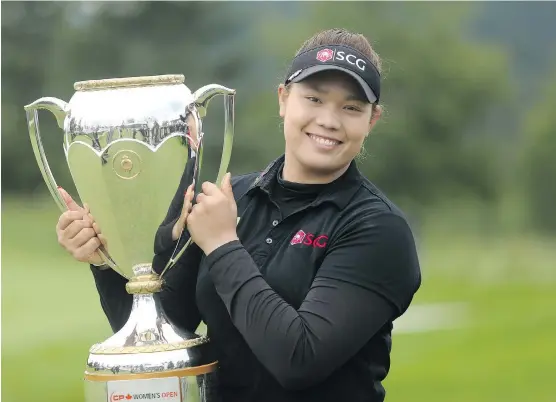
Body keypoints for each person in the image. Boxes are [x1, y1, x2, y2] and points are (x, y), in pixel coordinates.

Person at [56, 28, 421, 402]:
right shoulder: (232, 201)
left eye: (351, 107)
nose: (329, 120)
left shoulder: (377, 229)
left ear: (371, 120)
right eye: (313, 99)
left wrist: (223, 244)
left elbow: (299, 360)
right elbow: (160, 336)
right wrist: (103, 260)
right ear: (283, 99)